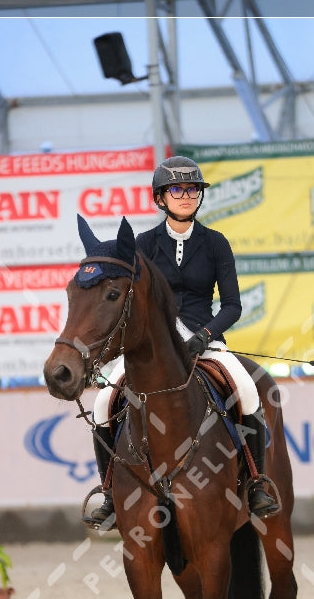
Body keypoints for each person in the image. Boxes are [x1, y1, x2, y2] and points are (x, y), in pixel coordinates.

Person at [87, 155, 280, 527]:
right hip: (155, 346)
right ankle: (110, 492)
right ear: (161, 198)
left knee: (248, 391)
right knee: (101, 403)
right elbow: (134, 301)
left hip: (204, 341)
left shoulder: (215, 244)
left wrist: (205, 335)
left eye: (193, 189)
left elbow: (233, 305)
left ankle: (256, 483)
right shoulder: (143, 244)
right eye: (177, 189)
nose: (186, 195)